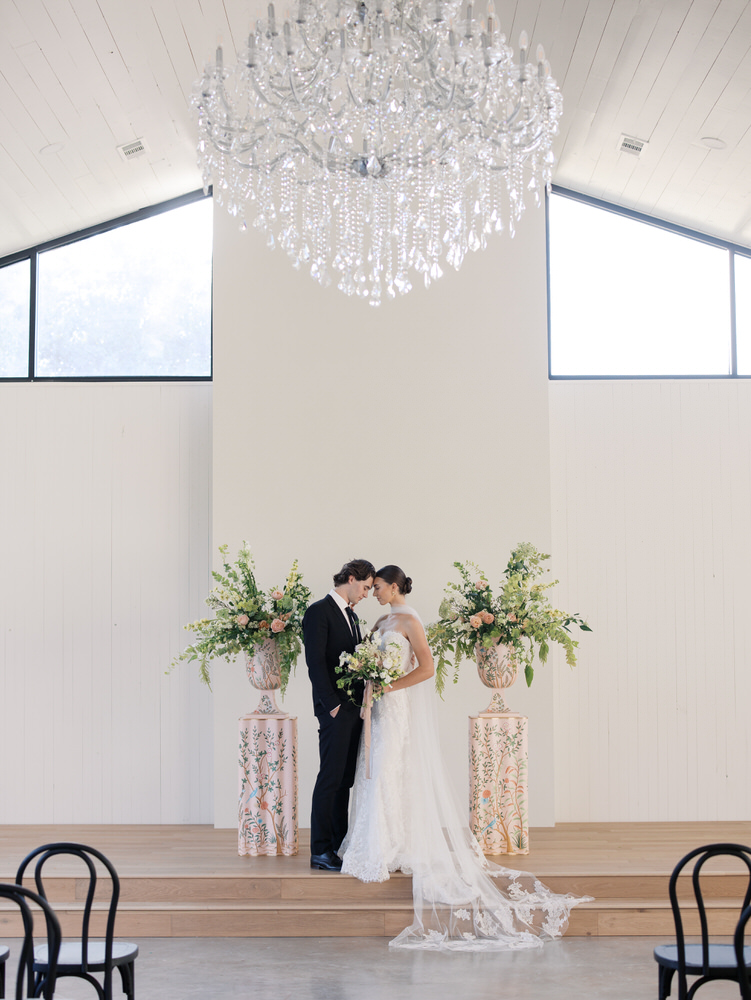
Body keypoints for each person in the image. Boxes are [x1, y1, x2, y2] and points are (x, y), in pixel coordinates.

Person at [340, 564, 590, 950]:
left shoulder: (409, 621)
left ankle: (393, 844)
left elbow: (426, 668)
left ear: (394, 587)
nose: (373, 592)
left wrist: (389, 685)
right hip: (378, 707)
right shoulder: (380, 620)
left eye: (379, 588)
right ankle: (378, 842)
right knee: (375, 769)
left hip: (396, 705)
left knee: (392, 768)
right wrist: (366, 674)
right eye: (371, 588)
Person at [303, 558, 375, 872]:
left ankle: (338, 845)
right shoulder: (319, 611)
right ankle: (320, 850)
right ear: (349, 578)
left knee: (344, 780)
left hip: (353, 709)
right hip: (334, 710)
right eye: (366, 587)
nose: (368, 593)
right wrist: (332, 705)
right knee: (330, 778)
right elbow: (315, 664)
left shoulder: (353, 617)